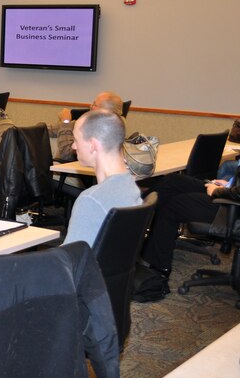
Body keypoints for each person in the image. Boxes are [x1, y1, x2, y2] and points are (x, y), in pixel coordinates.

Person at [140, 167, 239, 277]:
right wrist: (229, 184)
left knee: (173, 206)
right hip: (231, 194)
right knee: (173, 180)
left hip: (232, 208)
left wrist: (217, 191)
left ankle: (159, 268)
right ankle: (131, 217)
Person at [63, 110, 142, 247]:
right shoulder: (131, 187)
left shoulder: (91, 200)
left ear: (93, 145)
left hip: (85, 267)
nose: (73, 146)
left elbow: (71, 260)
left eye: (76, 140)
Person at [48, 91, 124, 161]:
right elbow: (52, 129)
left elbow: (67, 154)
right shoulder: (90, 122)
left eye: (94, 104)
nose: (90, 106)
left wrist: (65, 122)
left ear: (104, 111)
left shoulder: (103, 131)